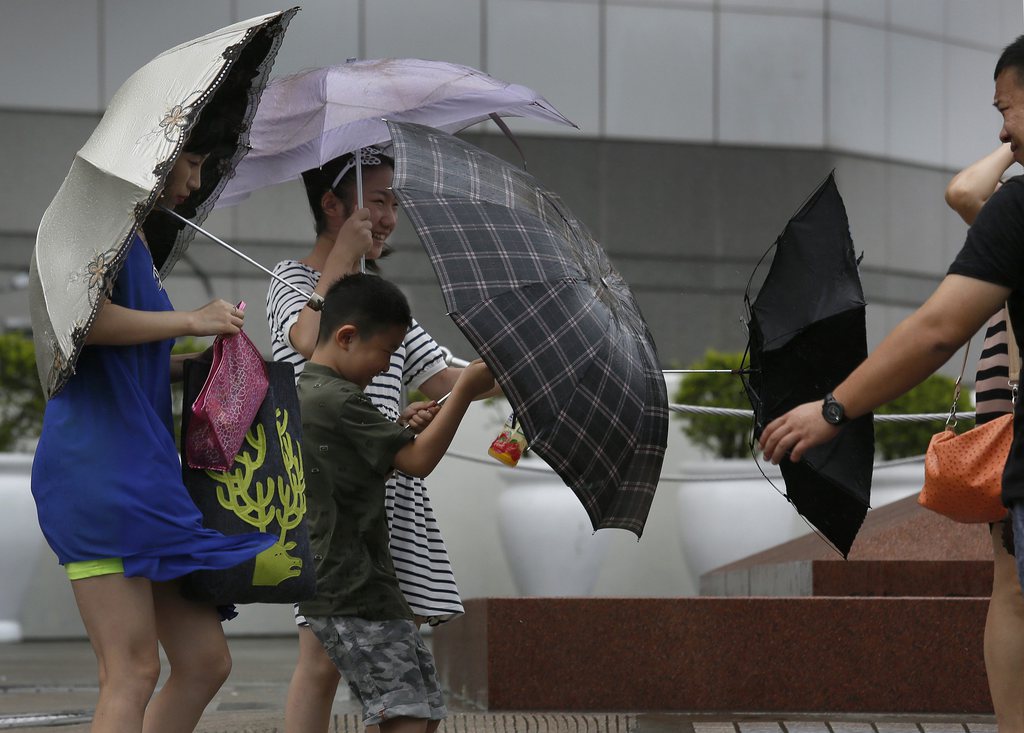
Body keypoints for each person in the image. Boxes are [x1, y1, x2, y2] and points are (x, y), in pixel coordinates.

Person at [760, 35, 1024, 731]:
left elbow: (939, 329)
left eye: (1007, 108)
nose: (1000, 128)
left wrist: (834, 408)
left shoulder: (1019, 208)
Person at [29, 112, 277, 733]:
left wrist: (201, 360)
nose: (194, 182)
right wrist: (192, 321)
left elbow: (133, 355)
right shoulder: (100, 229)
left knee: (202, 661)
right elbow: (87, 327)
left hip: (142, 474)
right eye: (190, 164)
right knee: (132, 670)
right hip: (98, 472)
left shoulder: (135, 239)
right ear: (160, 157)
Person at [267, 148, 497, 732]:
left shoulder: (378, 297)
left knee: (398, 645)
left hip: (390, 493)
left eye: (395, 202)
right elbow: (304, 339)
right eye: (377, 201)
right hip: (332, 500)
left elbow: (442, 375)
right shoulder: (294, 282)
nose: (390, 216)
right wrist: (341, 257)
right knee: (321, 660)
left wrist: (507, 368)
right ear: (332, 205)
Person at [297, 272, 494, 733]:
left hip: (363, 586)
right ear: (347, 336)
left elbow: (378, 463)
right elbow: (417, 463)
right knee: (404, 713)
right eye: (386, 352)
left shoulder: (316, 392)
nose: (387, 367)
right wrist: (462, 391)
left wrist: (405, 429)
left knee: (420, 710)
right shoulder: (341, 400)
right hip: (353, 590)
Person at [945, 141, 1024, 731]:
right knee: (1009, 578)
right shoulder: (1014, 209)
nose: (1003, 130)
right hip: (1009, 392)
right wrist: (1013, 145)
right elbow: (965, 192)